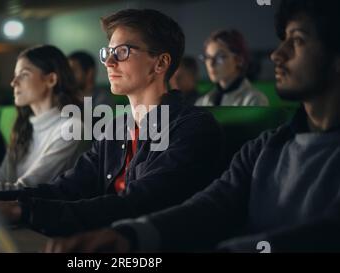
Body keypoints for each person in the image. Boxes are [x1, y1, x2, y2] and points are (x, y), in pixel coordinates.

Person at [45, 0, 340, 253]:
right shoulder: (265, 147)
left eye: (298, 40)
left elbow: (323, 234)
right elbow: (211, 206)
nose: (277, 54)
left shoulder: (196, 125)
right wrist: (129, 236)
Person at [0, 9, 224, 237]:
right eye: (108, 52)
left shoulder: (192, 127)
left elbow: (137, 204)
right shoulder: (116, 127)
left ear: (160, 63)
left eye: (122, 52)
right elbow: (67, 188)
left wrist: (22, 211)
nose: (109, 62)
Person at [0, 45, 84, 190]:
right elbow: (1, 177)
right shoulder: (24, 126)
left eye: (24, 74)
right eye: (15, 75)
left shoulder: (71, 128)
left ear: (51, 80)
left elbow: (28, 188)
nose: (13, 82)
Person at [196, 29, 269, 106]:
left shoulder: (255, 100)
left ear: (239, 60)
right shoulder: (202, 102)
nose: (211, 64)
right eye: (208, 57)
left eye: (220, 57)